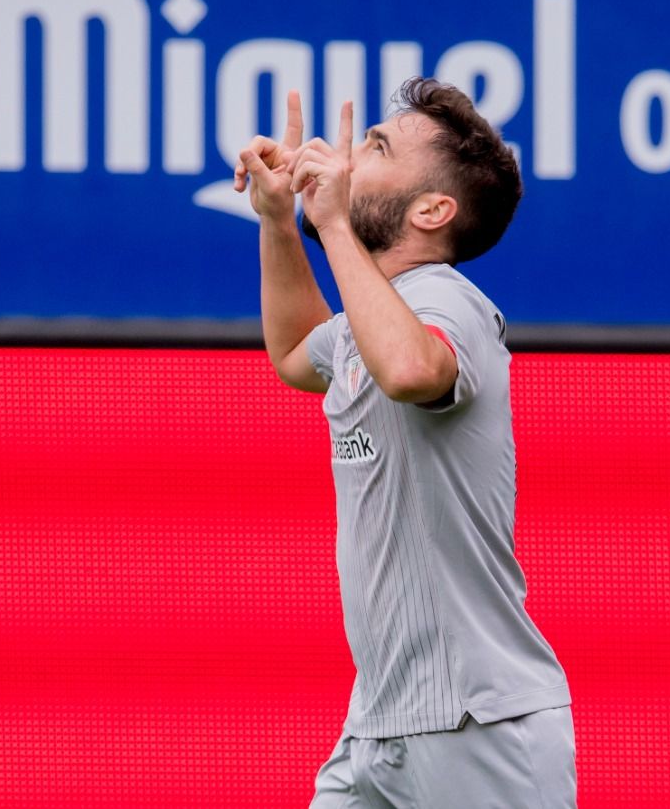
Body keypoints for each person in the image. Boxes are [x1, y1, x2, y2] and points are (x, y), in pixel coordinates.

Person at [235, 79, 574, 807]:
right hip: (379, 725)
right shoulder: (371, 316)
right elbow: (298, 350)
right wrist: (277, 221)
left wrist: (333, 226)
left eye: (377, 148)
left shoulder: (448, 301)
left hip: (480, 726)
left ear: (431, 211)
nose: (349, 159)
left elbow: (412, 368)